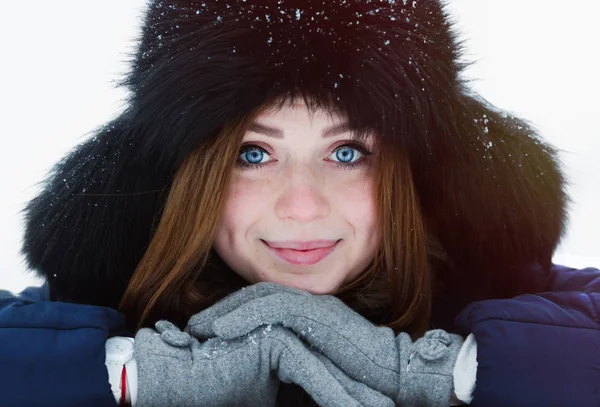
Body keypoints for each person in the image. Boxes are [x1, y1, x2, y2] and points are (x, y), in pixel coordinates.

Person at [1, 0, 599, 406]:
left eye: (346, 152)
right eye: (253, 154)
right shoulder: (99, 312)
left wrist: (458, 372)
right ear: (187, 176)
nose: (303, 208)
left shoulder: (508, 300)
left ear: (409, 171)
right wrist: (126, 375)